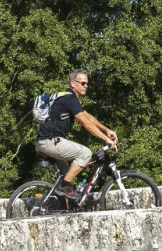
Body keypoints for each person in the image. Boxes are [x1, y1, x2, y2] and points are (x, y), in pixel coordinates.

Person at [35, 69, 118, 200]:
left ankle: (60, 206)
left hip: (45, 142)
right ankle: (63, 186)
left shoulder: (69, 99)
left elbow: (87, 117)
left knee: (67, 176)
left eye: (87, 84)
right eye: (83, 83)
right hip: (50, 141)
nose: (86, 86)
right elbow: (86, 124)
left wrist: (106, 130)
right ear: (73, 83)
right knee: (85, 153)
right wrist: (106, 139)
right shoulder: (69, 98)